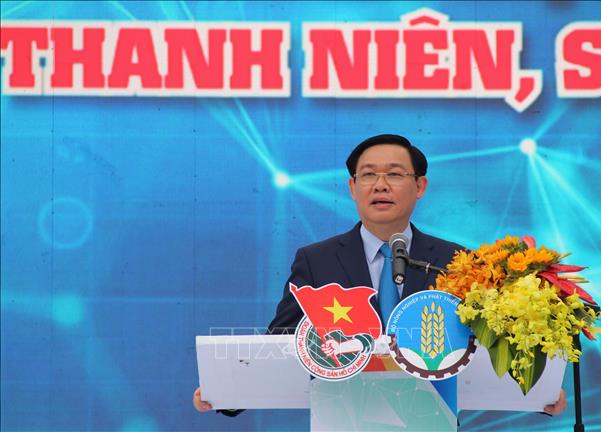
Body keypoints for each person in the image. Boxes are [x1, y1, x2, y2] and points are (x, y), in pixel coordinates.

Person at [192, 134, 567, 416]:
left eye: (395, 174)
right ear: (352, 188)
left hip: (431, 417)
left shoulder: (457, 261)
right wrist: (228, 394)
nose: (380, 185)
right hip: (344, 416)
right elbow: (283, 343)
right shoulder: (316, 260)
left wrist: (537, 393)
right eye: (368, 175)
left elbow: (488, 345)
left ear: (420, 186)